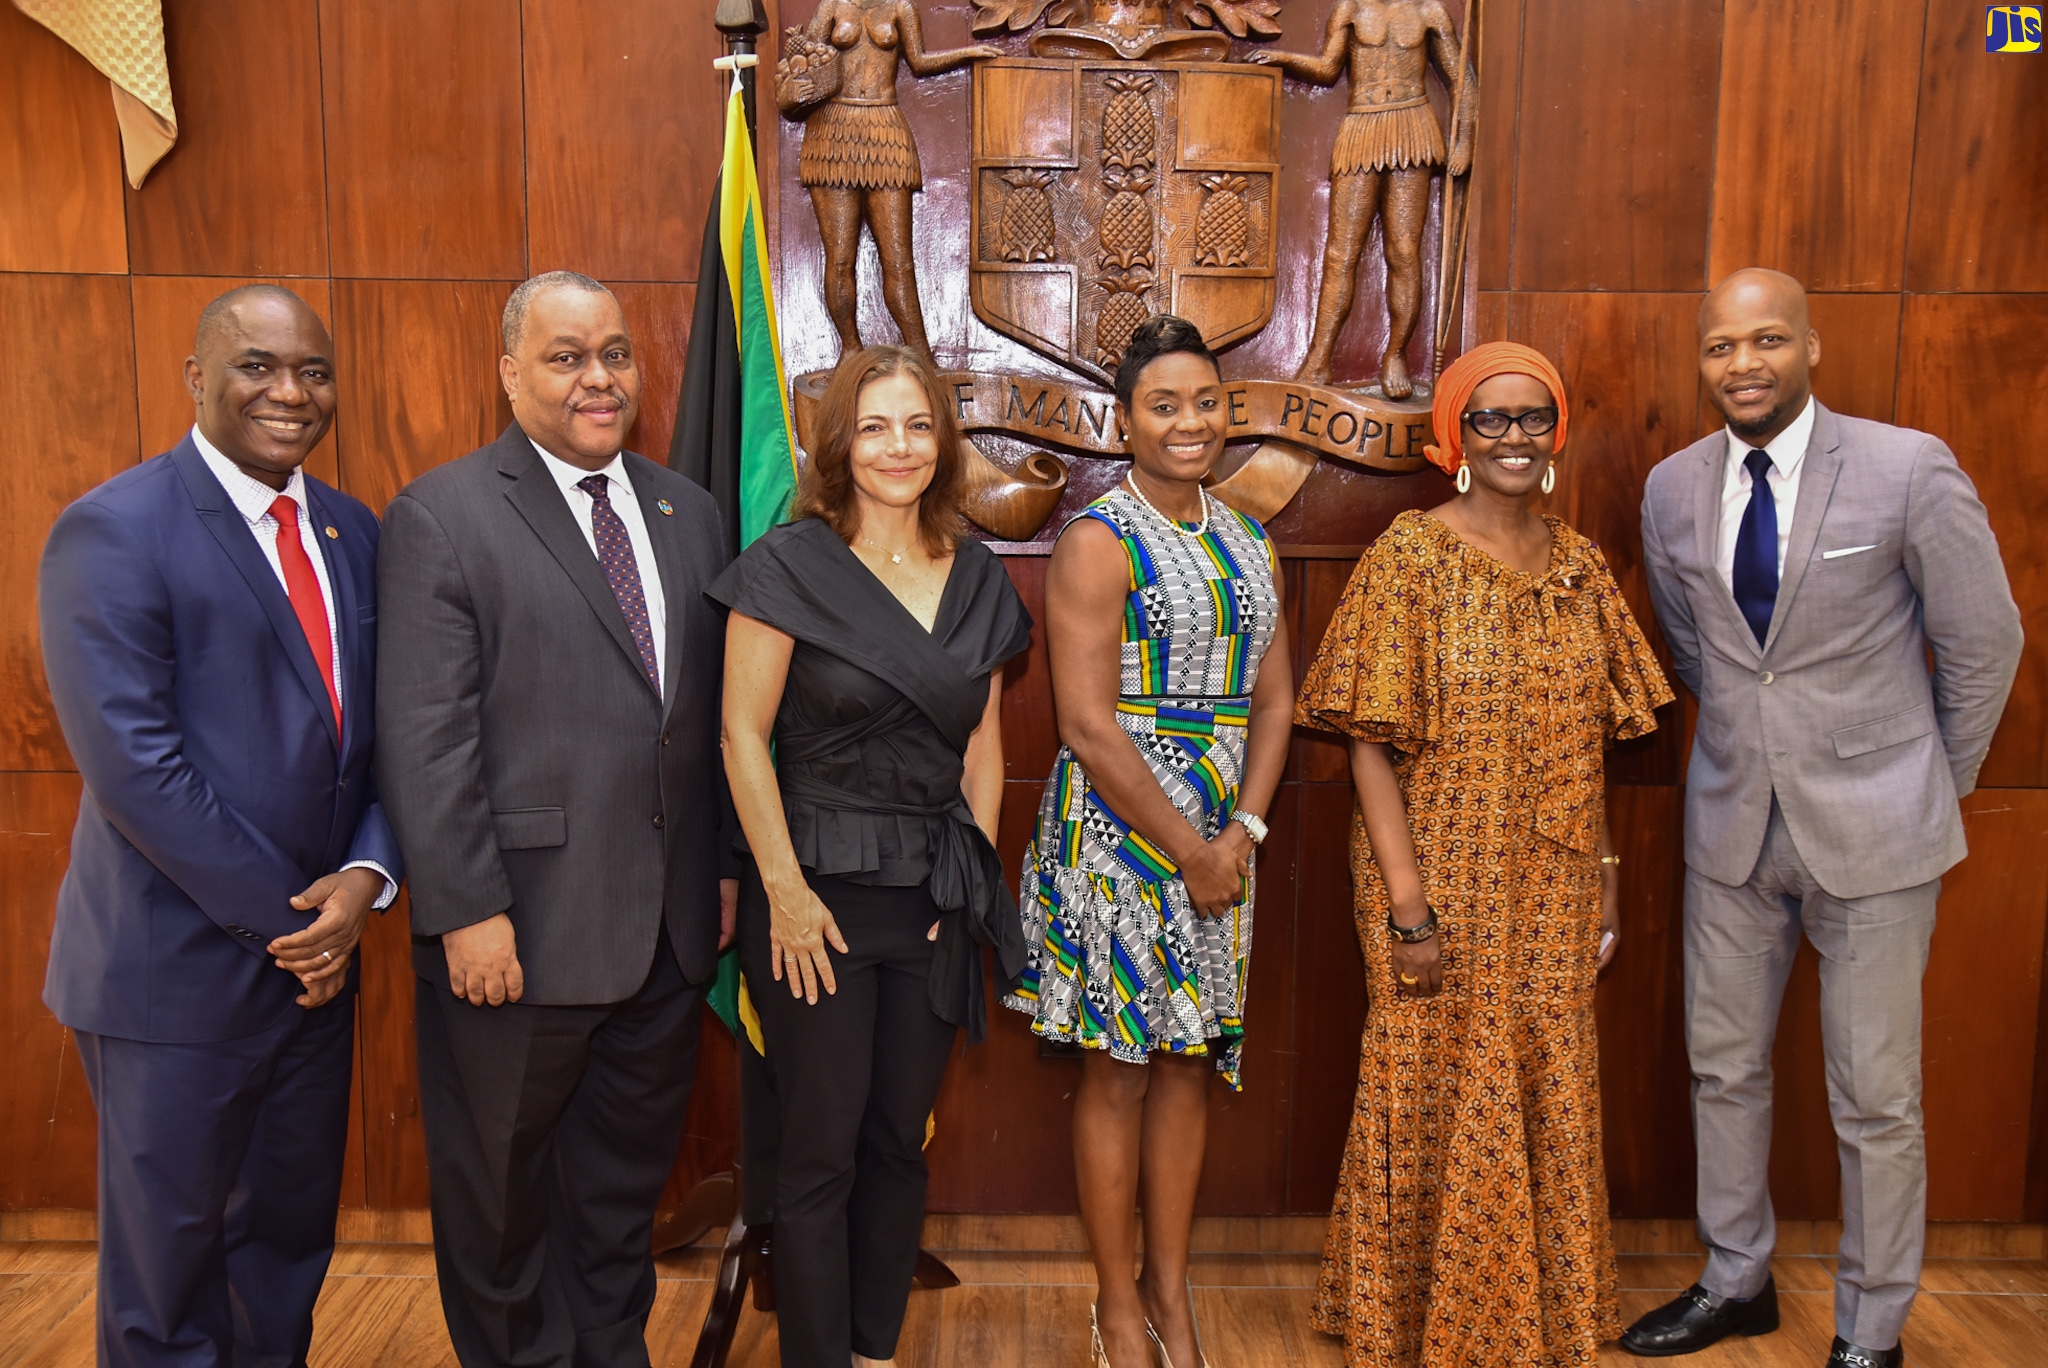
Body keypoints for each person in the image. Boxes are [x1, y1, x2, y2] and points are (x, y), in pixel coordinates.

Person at [1626, 269, 2022, 1368]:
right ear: (1699, 359)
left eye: (1764, 341)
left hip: (1880, 832)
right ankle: (1733, 1278)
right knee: (1722, 1069)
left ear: (1810, 349)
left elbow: (1983, 646)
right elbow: (1696, 650)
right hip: (1729, 828)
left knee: (1874, 1098)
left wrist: (1924, 783)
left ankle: (1871, 1328)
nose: (1739, 365)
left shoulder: (1906, 468)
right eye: (1718, 346)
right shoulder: (1669, 488)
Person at [375, 271, 738, 1368]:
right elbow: (424, 734)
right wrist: (466, 909)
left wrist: (717, 870)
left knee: (617, 1201)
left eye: (615, 354)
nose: (598, 378)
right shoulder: (442, 513)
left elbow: (702, 720)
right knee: (497, 1209)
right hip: (515, 937)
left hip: (665, 938)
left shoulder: (689, 510)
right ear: (510, 372)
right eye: (566, 356)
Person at [37, 285, 401, 1368]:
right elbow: (136, 771)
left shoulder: (351, 530)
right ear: (197, 377)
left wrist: (367, 876)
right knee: (169, 1276)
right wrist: (301, 924)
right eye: (257, 365)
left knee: (282, 1254)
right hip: (173, 978)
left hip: (313, 974)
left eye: (313, 372)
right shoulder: (112, 530)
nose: (290, 392)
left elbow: (385, 739)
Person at [1295, 341, 1671, 1366]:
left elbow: (1591, 744)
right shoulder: (1406, 556)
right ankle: (1407, 1320)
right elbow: (1365, 744)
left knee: (1544, 1079)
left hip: (1549, 882)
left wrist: (1601, 881)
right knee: (1426, 1081)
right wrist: (1406, 908)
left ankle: (1526, 1321)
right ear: (1454, 436)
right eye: (1490, 418)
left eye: (1531, 417)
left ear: (1554, 433)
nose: (1513, 436)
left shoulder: (1580, 565)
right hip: (1432, 872)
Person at [711, 345, 1031, 1368]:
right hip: (813, 899)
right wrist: (784, 896)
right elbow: (739, 736)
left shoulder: (976, 574)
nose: (898, 448)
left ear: (943, 442)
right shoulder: (785, 565)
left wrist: (966, 883)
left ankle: (873, 1350)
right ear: (838, 443)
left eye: (918, 426)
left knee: (897, 1142)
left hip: (929, 901)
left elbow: (984, 748)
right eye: (875, 426)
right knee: (819, 1153)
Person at [1005, 315, 1293, 1368]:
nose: (1186, 422)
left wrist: (1243, 831)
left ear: (1226, 416)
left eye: (1203, 403)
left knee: (1189, 1065)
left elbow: (1273, 702)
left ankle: (1172, 1294)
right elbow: (1083, 722)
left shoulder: (1249, 538)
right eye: (1161, 405)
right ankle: (1116, 1304)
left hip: (1226, 841)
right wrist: (1191, 848)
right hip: (1121, 838)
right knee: (1119, 1070)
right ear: (1122, 422)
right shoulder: (1097, 539)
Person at [1249, 0, 1474, 395]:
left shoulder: (1429, 11)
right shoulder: (1350, 9)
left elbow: (1462, 80)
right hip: (1361, 129)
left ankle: (1396, 354)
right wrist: (1282, 58)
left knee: (1403, 251)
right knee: (1340, 253)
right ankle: (1318, 360)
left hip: (1411, 126)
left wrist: (1464, 142)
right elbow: (1328, 67)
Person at [774, 0, 997, 367]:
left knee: (899, 261)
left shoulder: (900, 8)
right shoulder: (832, 6)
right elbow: (806, 67)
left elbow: (920, 61)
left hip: (884, 129)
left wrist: (968, 53)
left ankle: (921, 353)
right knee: (841, 258)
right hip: (833, 132)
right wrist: (792, 89)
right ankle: (850, 348)